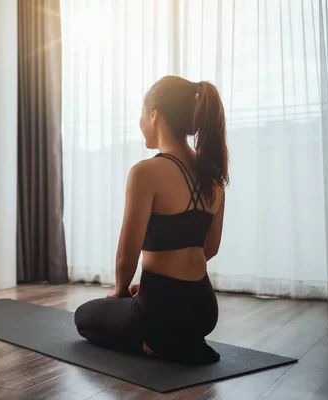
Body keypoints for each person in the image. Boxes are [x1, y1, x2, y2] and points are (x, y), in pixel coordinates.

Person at [74, 75, 229, 365]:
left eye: (142, 114)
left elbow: (126, 255)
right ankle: (179, 340)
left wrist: (120, 292)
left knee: (84, 318)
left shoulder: (146, 172)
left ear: (154, 114)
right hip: (205, 310)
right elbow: (210, 248)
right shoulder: (213, 175)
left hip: (159, 311)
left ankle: (154, 343)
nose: (140, 121)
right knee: (137, 311)